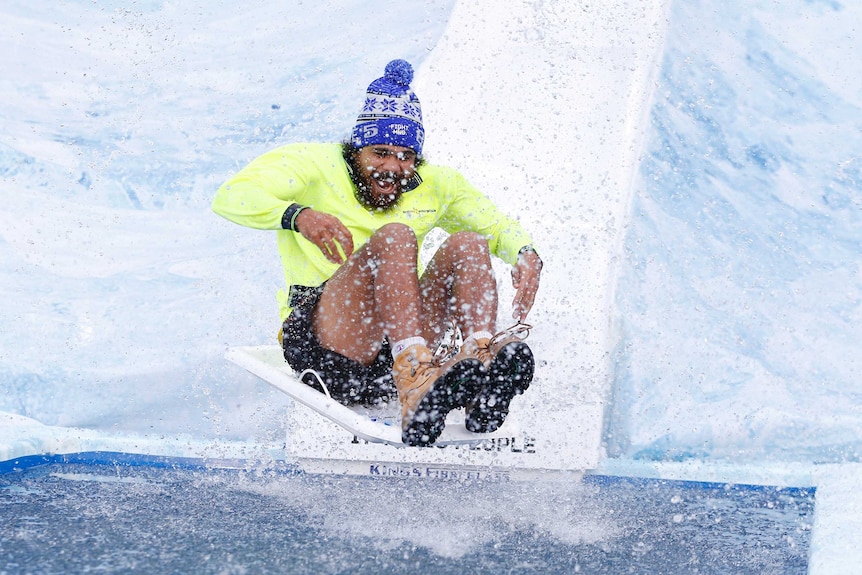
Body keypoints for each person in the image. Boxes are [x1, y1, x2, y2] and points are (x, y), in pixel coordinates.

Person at [212, 59, 542, 446]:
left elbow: (495, 224)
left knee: (468, 243)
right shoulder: (312, 164)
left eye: (405, 156)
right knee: (397, 236)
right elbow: (230, 197)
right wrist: (296, 215)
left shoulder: (435, 184)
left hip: (399, 335)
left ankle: (479, 370)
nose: (392, 167)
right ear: (357, 150)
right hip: (333, 346)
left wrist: (525, 252)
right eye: (380, 153)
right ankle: (415, 378)